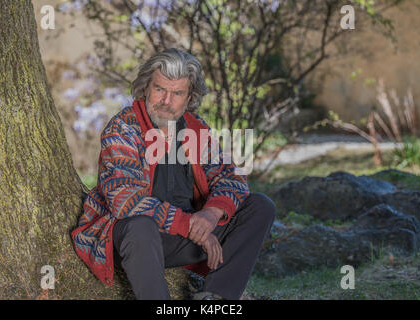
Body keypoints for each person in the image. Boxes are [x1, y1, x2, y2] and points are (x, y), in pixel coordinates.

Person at [72, 48, 276, 300]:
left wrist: (210, 215)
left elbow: (232, 177)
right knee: (140, 227)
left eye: (177, 93)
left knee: (260, 206)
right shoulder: (123, 128)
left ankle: (215, 298)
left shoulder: (195, 129)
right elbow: (124, 201)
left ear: (189, 96)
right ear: (145, 87)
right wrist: (189, 224)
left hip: (187, 236)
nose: (166, 101)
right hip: (137, 240)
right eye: (159, 89)